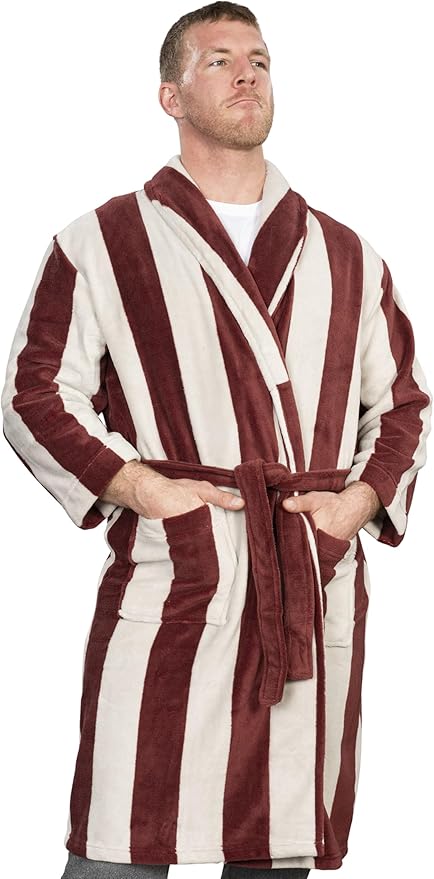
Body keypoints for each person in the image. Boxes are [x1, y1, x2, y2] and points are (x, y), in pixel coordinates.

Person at [1, 2, 432, 878]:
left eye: (260, 60)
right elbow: (32, 390)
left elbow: (403, 407)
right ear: (170, 96)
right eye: (219, 59)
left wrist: (355, 504)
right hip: (178, 572)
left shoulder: (348, 255)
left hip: (305, 574)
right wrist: (142, 489)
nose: (247, 74)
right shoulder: (103, 242)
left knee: (273, 848)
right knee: (121, 843)